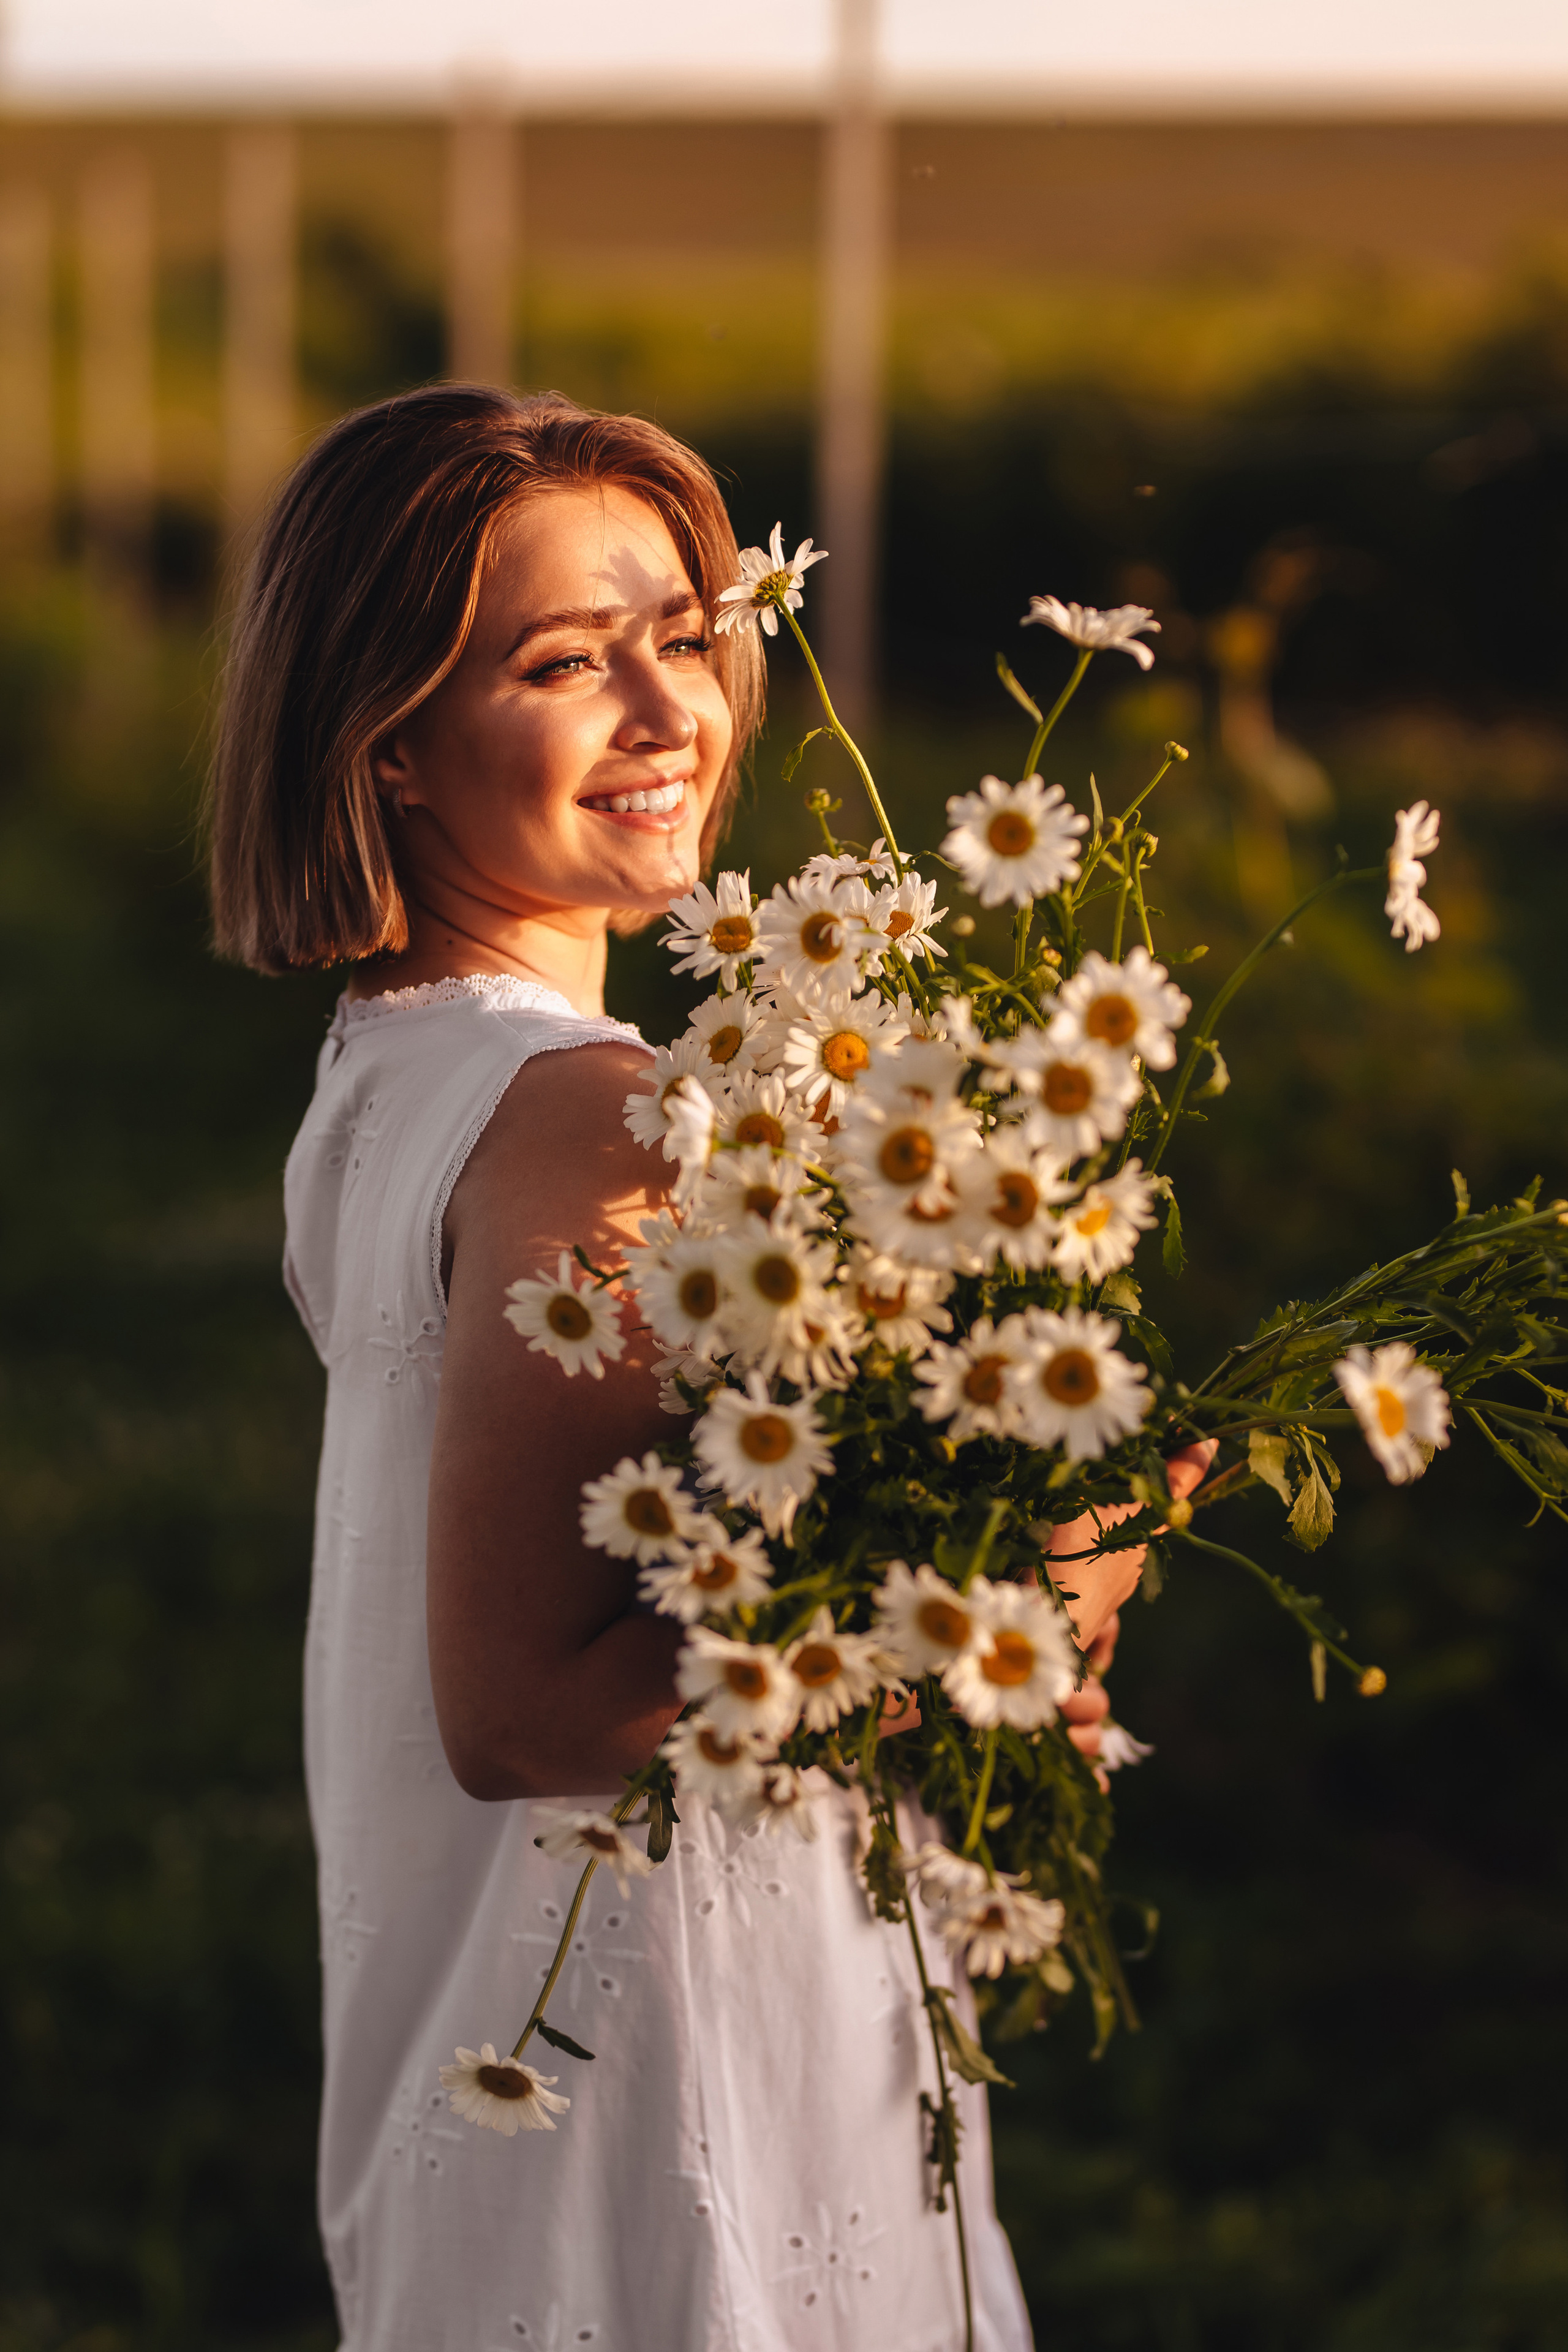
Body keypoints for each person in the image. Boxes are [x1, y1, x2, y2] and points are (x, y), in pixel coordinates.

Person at [207, 385, 1197, 2352]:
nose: (670, 714)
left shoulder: (388, 1071)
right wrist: (1005, 1598)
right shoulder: (592, 1114)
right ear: (389, 738)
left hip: (512, 2006)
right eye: (568, 663)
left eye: (686, 631)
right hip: (659, 2043)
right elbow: (525, 1713)